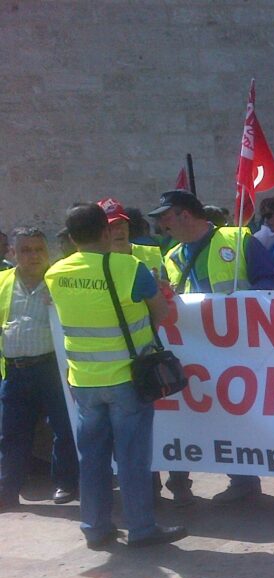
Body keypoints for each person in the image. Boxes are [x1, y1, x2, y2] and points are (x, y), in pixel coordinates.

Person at [44, 204, 185, 548]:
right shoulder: (128, 266)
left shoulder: (55, 273)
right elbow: (163, 312)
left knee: (91, 459)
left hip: (83, 381)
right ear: (106, 232)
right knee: (132, 458)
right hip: (128, 379)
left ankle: (95, 527)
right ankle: (141, 528)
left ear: (72, 237)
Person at [151, 188, 274, 505]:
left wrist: (237, 305)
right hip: (202, 353)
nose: (163, 225)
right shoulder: (172, 256)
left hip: (247, 350)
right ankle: (242, 481)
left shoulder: (238, 239)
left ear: (185, 214)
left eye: (167, 217)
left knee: (270, 415)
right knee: (222, 415)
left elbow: (272, 285)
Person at [0, 227, 78, 510]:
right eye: (25, 250)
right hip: (14, 370)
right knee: (11, 432)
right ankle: (7, 490)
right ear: (13, 253)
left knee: (63, 427)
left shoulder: (61, 280)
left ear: (48, 252)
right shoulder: (2, 281)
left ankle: (66, 483)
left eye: (38, 249)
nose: (33, 256)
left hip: (51, 367)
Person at [98, 198, 165, 280]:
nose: (119, 231)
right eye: (112, 226)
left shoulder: (155, 253)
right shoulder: (95, 262)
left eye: (121, 223)